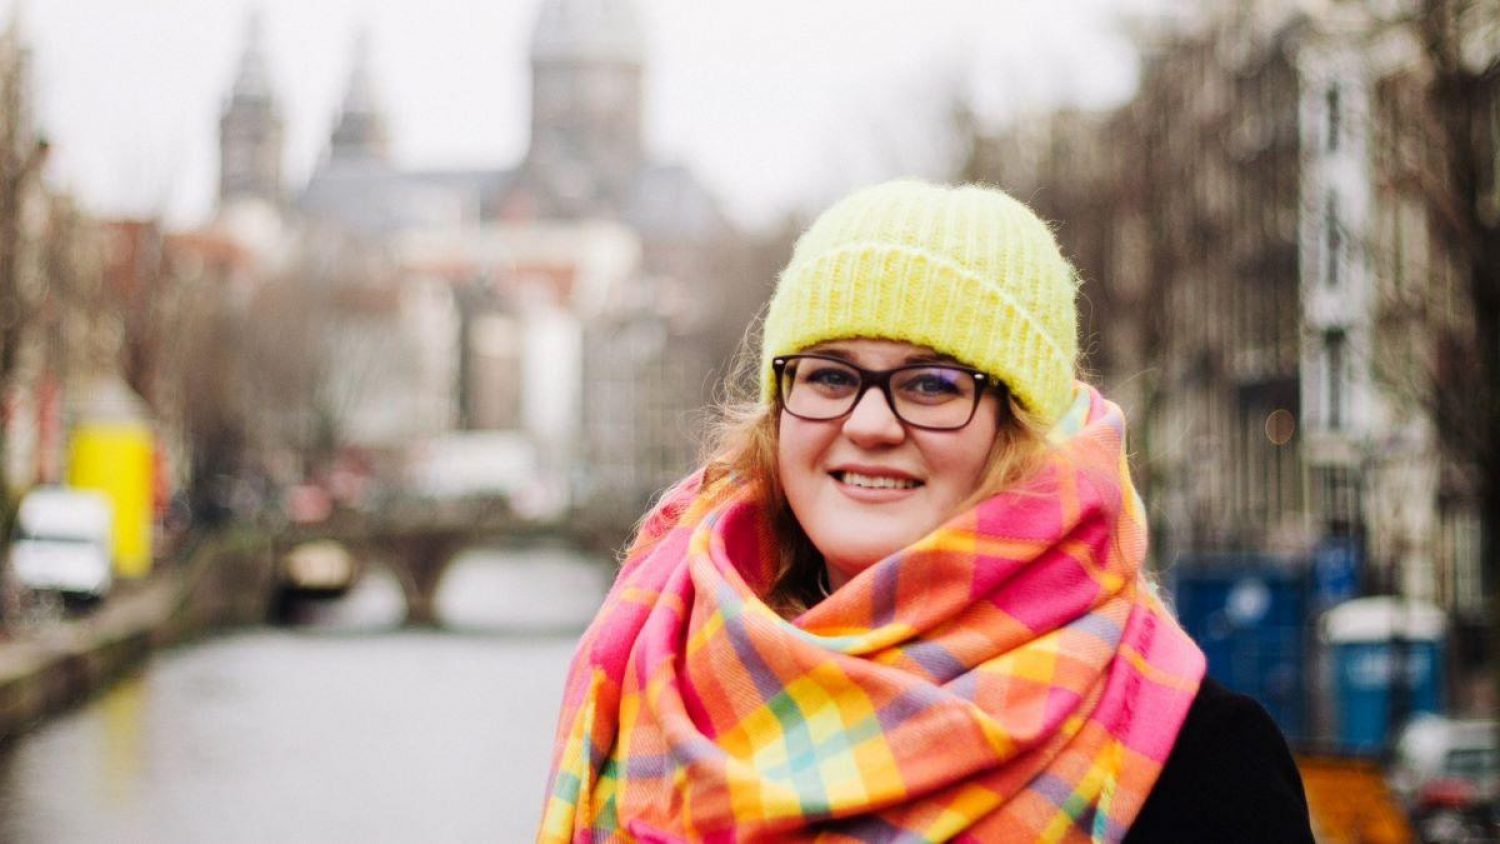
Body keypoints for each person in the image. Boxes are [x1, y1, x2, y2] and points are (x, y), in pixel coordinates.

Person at [540, 181, 1313, 842]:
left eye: (933, 385)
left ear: (1020, 429)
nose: (869, 424)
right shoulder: (655, 669)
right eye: (830, 376)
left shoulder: (1200, 761)